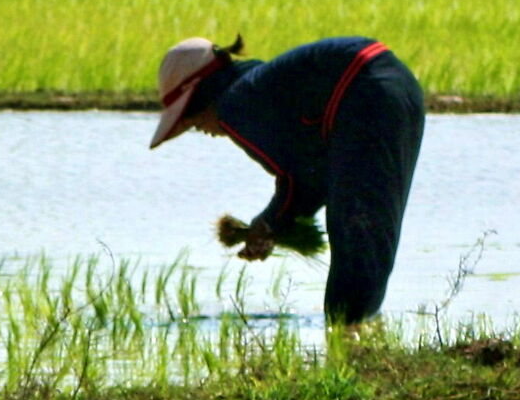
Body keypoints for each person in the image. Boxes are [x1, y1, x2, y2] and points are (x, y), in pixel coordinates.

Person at [150, 35, 426, 324]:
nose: (202, 130)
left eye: (193, 121)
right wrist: (275, 223)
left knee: (356, 236)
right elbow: (315, 171)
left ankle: (347, 336)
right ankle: (359, 335)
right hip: (398, 87)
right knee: (369, 234)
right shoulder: (257, 86)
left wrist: (270, 222)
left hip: (367, 94)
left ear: (200, 97)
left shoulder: (235, 106)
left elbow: (301, 177)